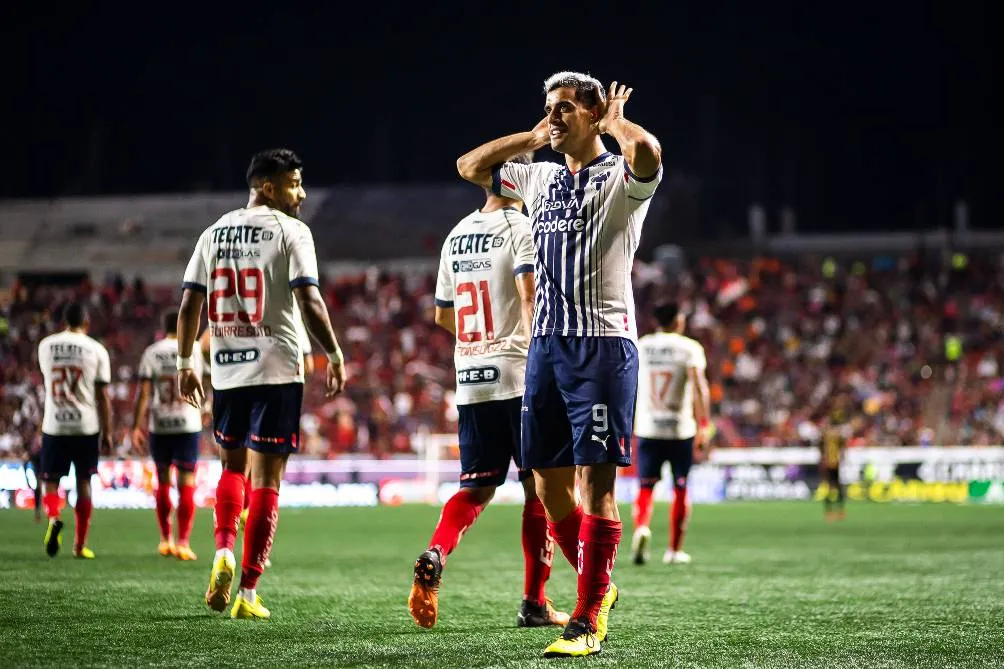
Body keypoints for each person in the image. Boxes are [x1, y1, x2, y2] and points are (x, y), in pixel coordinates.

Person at [457, 71, 662, 657]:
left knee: (596, 484)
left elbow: (648, 153)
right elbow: (469, 167)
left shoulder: (619, 178)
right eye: (549, 106)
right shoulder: (540, 176)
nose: (554, 116)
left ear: (592, 114)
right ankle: (601, 584)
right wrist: (530, 137)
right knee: (548, 488)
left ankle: (588, 617)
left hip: (601, 347)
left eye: (565, 107)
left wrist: (616, 124)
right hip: (545, 347)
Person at [176, 148, 347, 620]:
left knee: (231, 467)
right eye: (294, 184)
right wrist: (334, 353)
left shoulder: (213, 232)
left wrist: (185, 362)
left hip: (227, 369)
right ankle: (248, 592)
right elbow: (309, 299)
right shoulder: (292, 231)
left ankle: (222, 550)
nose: (302, 193)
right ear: (268, 188)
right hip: (277, 368)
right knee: (268, 479)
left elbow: (189, 304)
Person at [408, 152, 569, 631]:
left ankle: (436, 551)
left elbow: (442, 314)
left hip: (472, 376)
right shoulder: (523, 227)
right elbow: (530, 294)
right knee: (540, 489)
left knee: (476, 488)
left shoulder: (456, 234)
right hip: (519, 374)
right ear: (515, 176)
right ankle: (534, 602)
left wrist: (481, 343)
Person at [630, 302, 712, 566]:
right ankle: (674, 551)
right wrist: (704, 425)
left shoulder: (642, 346)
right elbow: (699, 387)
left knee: (645, 487)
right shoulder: (689, 348)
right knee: (680, 488)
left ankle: (642, 527)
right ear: (677, 321)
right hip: (680, 429)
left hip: (648, 427)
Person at [36, 302, 114, 559]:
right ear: (87, 322)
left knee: (50, 481)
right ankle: (79, 546)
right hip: (86, 425)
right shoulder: (97, 349)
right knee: (84, 483)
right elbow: (103, 396)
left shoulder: (45, 346)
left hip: (55, 424)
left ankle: (53, 517)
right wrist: (108, 432)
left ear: (63, 323)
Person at [132, 309, 205, 561]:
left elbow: (143, 394)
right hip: (188, 423)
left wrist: (136, 426)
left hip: (160, 424)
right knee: (187, 482)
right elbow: (208, 382)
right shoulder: (195, 350)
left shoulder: (152, 353)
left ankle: (165, 540)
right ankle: (183, 542)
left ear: (163, 327)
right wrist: (207, 408)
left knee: (163, 480)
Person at [819, 399, 849, 521]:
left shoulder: (827, 433)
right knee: (836, 487)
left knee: (831, 487)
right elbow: (842, 447)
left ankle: (831, 512)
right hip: (833, 462)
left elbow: (821, 448)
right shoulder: (836, 433)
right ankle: (837, 511)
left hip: (831, 462)